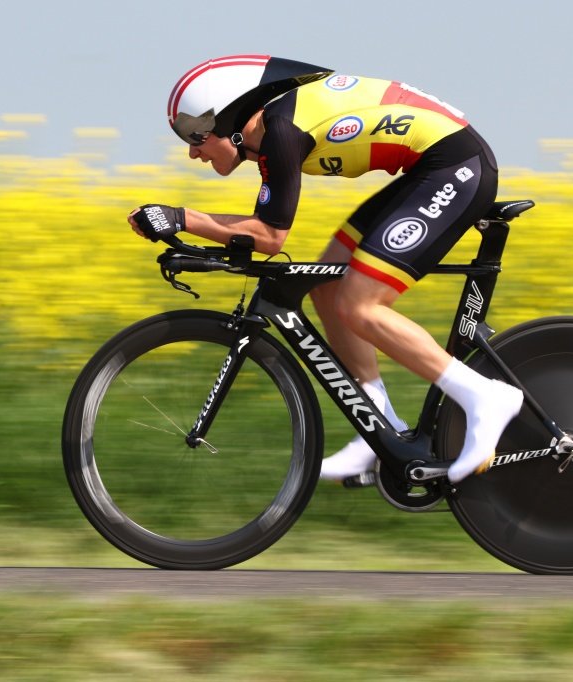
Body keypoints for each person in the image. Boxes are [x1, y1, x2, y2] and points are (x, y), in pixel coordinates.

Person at [128, 54, 522, 484]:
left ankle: (484, 396)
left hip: (456, 167)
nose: (191, 150)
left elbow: (269, 237)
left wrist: (181, 217)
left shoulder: (282, 131)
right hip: (429, 169)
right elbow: (265, 231)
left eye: (194, 132)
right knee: (326, 287)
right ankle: (378, 429)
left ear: (230, 115)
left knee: (360, 306)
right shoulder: (270, 136)